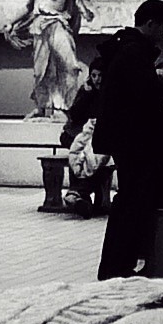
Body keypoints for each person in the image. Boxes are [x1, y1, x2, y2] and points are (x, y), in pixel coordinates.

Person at [93, 0, 163, 279]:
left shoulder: (126, 49)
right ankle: (117, 267)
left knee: (130, 203)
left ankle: (119, 265)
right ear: (151, 23)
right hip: (136, 143)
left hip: (128, 140)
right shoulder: (133, 52)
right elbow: (146, 92)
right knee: (131, 205)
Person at [3, 0, 95, 117]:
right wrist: (10, 22)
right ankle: (42, 107)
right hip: (39, 28)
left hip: (58, 25)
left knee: (69, 66)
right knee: (41, 70)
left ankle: (66, 108)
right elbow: (28, 7)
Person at [59, 59, 109, 216]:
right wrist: (86, 95)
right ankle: (82, 196)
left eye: (100, 76)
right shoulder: (86, 91)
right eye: (93, 75)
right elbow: (75, 115)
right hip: (80, 134)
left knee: (92, 158)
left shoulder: (111, 92)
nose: (97, 79)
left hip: (100, 136)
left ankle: (78, 193)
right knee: (79, 155)